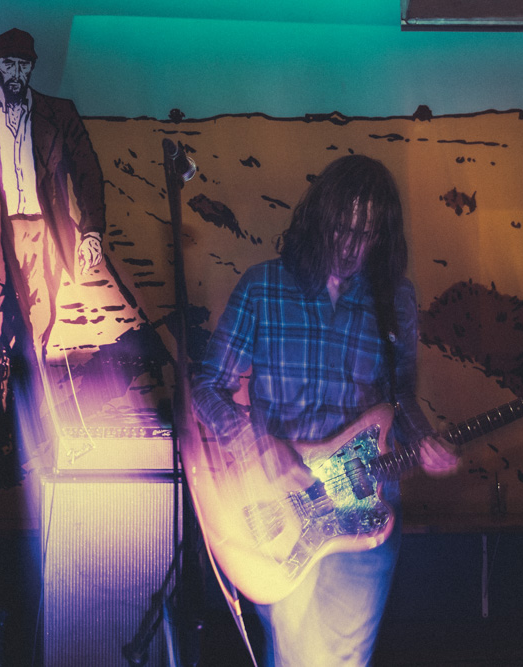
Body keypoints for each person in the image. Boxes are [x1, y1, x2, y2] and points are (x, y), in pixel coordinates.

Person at [191, 154, 459, 666]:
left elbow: (399, 394)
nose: (351, 247)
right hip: (280, 507)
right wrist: (256, 445)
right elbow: (206, 385)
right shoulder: (263, 287)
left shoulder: (393, 298)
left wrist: (424, 439)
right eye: (342, 229)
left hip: (366, 508)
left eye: (367, 234)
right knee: (293, 656)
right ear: (319, 220)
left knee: (340, 660)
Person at [0, 28, 107, 488]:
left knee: (35, 348)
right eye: (8, 64)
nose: (16, 73)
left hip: (41, 239)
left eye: (24, 65)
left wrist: (91, 230)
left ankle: (34, 447)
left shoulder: (60, 113)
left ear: (31, 68)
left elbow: (89, 172)